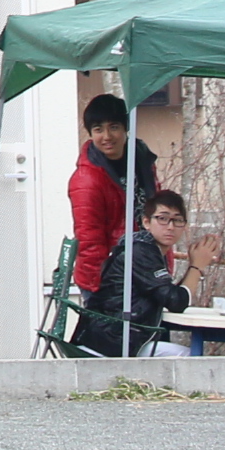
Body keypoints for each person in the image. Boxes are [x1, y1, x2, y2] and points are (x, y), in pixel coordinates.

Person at [79, 188, 197, 357]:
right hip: (112, 343)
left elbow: (169, 295)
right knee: (191, 358)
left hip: (113, 338)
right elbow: (176, 302)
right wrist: (197, 266)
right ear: (146, 222)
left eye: (177, 220)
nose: (170, 227)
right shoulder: (141, 252)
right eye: (162, 219)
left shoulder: (146, 249)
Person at [69, 92, 158, 303]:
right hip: (108, 281)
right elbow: (90, 241)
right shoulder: (87, 179)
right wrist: (104, 289)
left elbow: (156, 213)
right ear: (90, 133)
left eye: (114, 127)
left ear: (126, 128)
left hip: (142, 270)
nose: (107, 136)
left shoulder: (142, 160)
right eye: (98, 129)